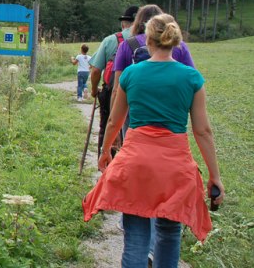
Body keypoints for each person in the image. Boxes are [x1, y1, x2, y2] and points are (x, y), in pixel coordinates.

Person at [83, 13, 224, 268]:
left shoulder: (131, 75)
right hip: (175, 169)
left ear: (147, 40)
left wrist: (106, 151)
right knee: (168, 234)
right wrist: (215, 176)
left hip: (135, 164)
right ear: (176, 42)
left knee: (136, 239)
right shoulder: (192, 78)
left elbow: (115, 122)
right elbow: (203, 131)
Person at [89, 5, 138, 156]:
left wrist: (94, 90)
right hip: (138, 92)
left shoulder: (111, 40)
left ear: (124, 23)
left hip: (112, 92)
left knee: (108, 126)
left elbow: (96, 69)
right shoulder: (150, 40)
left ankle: (106, 164)